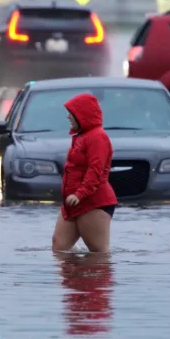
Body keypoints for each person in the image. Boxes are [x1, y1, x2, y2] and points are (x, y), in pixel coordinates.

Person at [52, 93, 118, 253]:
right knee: (59, 247)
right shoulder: (82, 136)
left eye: (71, 113)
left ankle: (94, 278)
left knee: (98, 253)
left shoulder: (97, 137)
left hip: (93, 202)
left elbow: (95, 171)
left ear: (81, 115)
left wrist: (80, 194)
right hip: (73, 203)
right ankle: (75, 277)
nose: (68, 117)